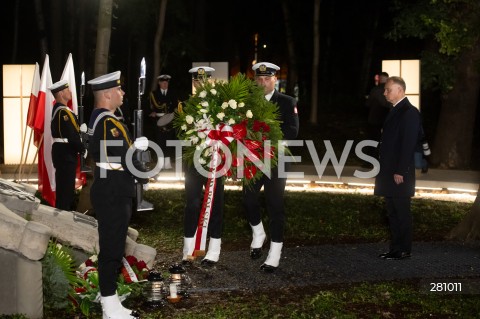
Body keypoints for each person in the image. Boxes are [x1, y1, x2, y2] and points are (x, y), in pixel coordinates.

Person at [87, 71, 149, 319]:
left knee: (113, 246)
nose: (122, 93)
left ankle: (111, 302)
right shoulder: (108, 123)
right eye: (119, 90)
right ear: (108, 94)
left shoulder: (101, 119)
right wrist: (138, 153)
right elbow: (122, 156)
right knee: (112, 249)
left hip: (111, 188)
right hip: (113, 190)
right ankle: (109, 308)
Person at [243, 62, 299, 273]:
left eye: (267, 79)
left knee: (275, 205)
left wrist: (265, 133)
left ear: (275, 79)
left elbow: (293, 130)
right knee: (248, 199)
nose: (263, 82)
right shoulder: (248, 102)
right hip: (252, 160)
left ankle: (275, 252)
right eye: (259, 79)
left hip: (277, 160)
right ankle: (258, 233)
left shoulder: (287, 101)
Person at [181, 66, 225, 267]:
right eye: (196, 81)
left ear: (210, 81)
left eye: (203, 80)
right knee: (192, 204)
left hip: (215, 161)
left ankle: (214, 249)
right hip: (192, 161)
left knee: (214, 203)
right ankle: (189, 248)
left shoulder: (221, 105)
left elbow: (228, 131)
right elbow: (181, 134)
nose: (200, 84)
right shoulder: (186, 105)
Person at [374, 76, 421, 260]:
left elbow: (408, 144)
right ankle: (395, 248)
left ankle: (404, 249)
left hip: (399, 173)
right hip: (389, 171)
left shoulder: (409, 112)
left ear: (400, 90)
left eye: (388, 90)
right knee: (392, 211)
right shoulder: (396, 110)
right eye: (385, 90)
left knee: (401, 211)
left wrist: (401, 170)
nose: (385, 93)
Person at [48, 79, 85, 211]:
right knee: (65, 189)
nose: (70, 92)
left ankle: (63, 214)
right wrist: (83, 149)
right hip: (65, 152)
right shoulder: (63, 112)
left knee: (66, 188)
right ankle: (63, 218)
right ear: (61, 93)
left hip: (64, 151)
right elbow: (71, 135)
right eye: (67, 90)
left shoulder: (63, 110)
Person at [149, 74, 177, 170]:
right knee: (160, 141)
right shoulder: (154, 93)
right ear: (159, 83)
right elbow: (149, 106)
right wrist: (151, 112)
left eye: (166, 83)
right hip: (158, 120)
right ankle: (160, 162)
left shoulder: (173, 93)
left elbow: (175, 106)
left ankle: (167, 162)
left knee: (169, 141)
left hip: (169, 120)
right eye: (163, 82)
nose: (165, 84)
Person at [365, 72, 392, 160]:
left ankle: (371, 161)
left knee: (372, 140)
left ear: (380, 79)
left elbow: (368, 104)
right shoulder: (390, 90)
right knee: (385, 140)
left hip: (374, 118)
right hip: (387, 119)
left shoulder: (375, 90)